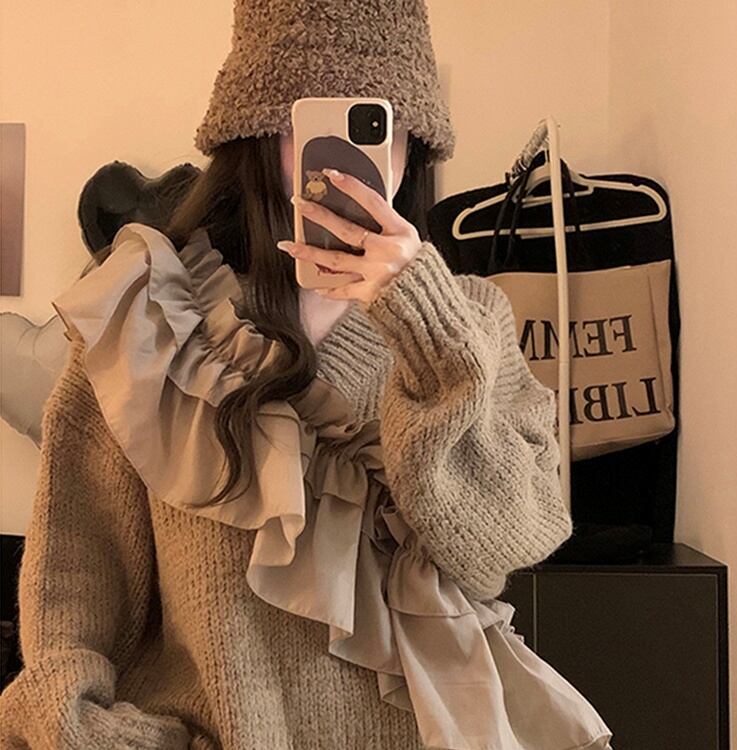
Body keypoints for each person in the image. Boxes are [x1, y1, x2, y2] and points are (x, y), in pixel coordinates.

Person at [0, 1, 615, 748]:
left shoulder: (472, 323)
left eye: (377, 127)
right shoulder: (151, 322)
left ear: (414, 144)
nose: (345, 162)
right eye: (312, 125)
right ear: (255, 135)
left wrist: (425, 327)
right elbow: (72, 601)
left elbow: (501, 549)